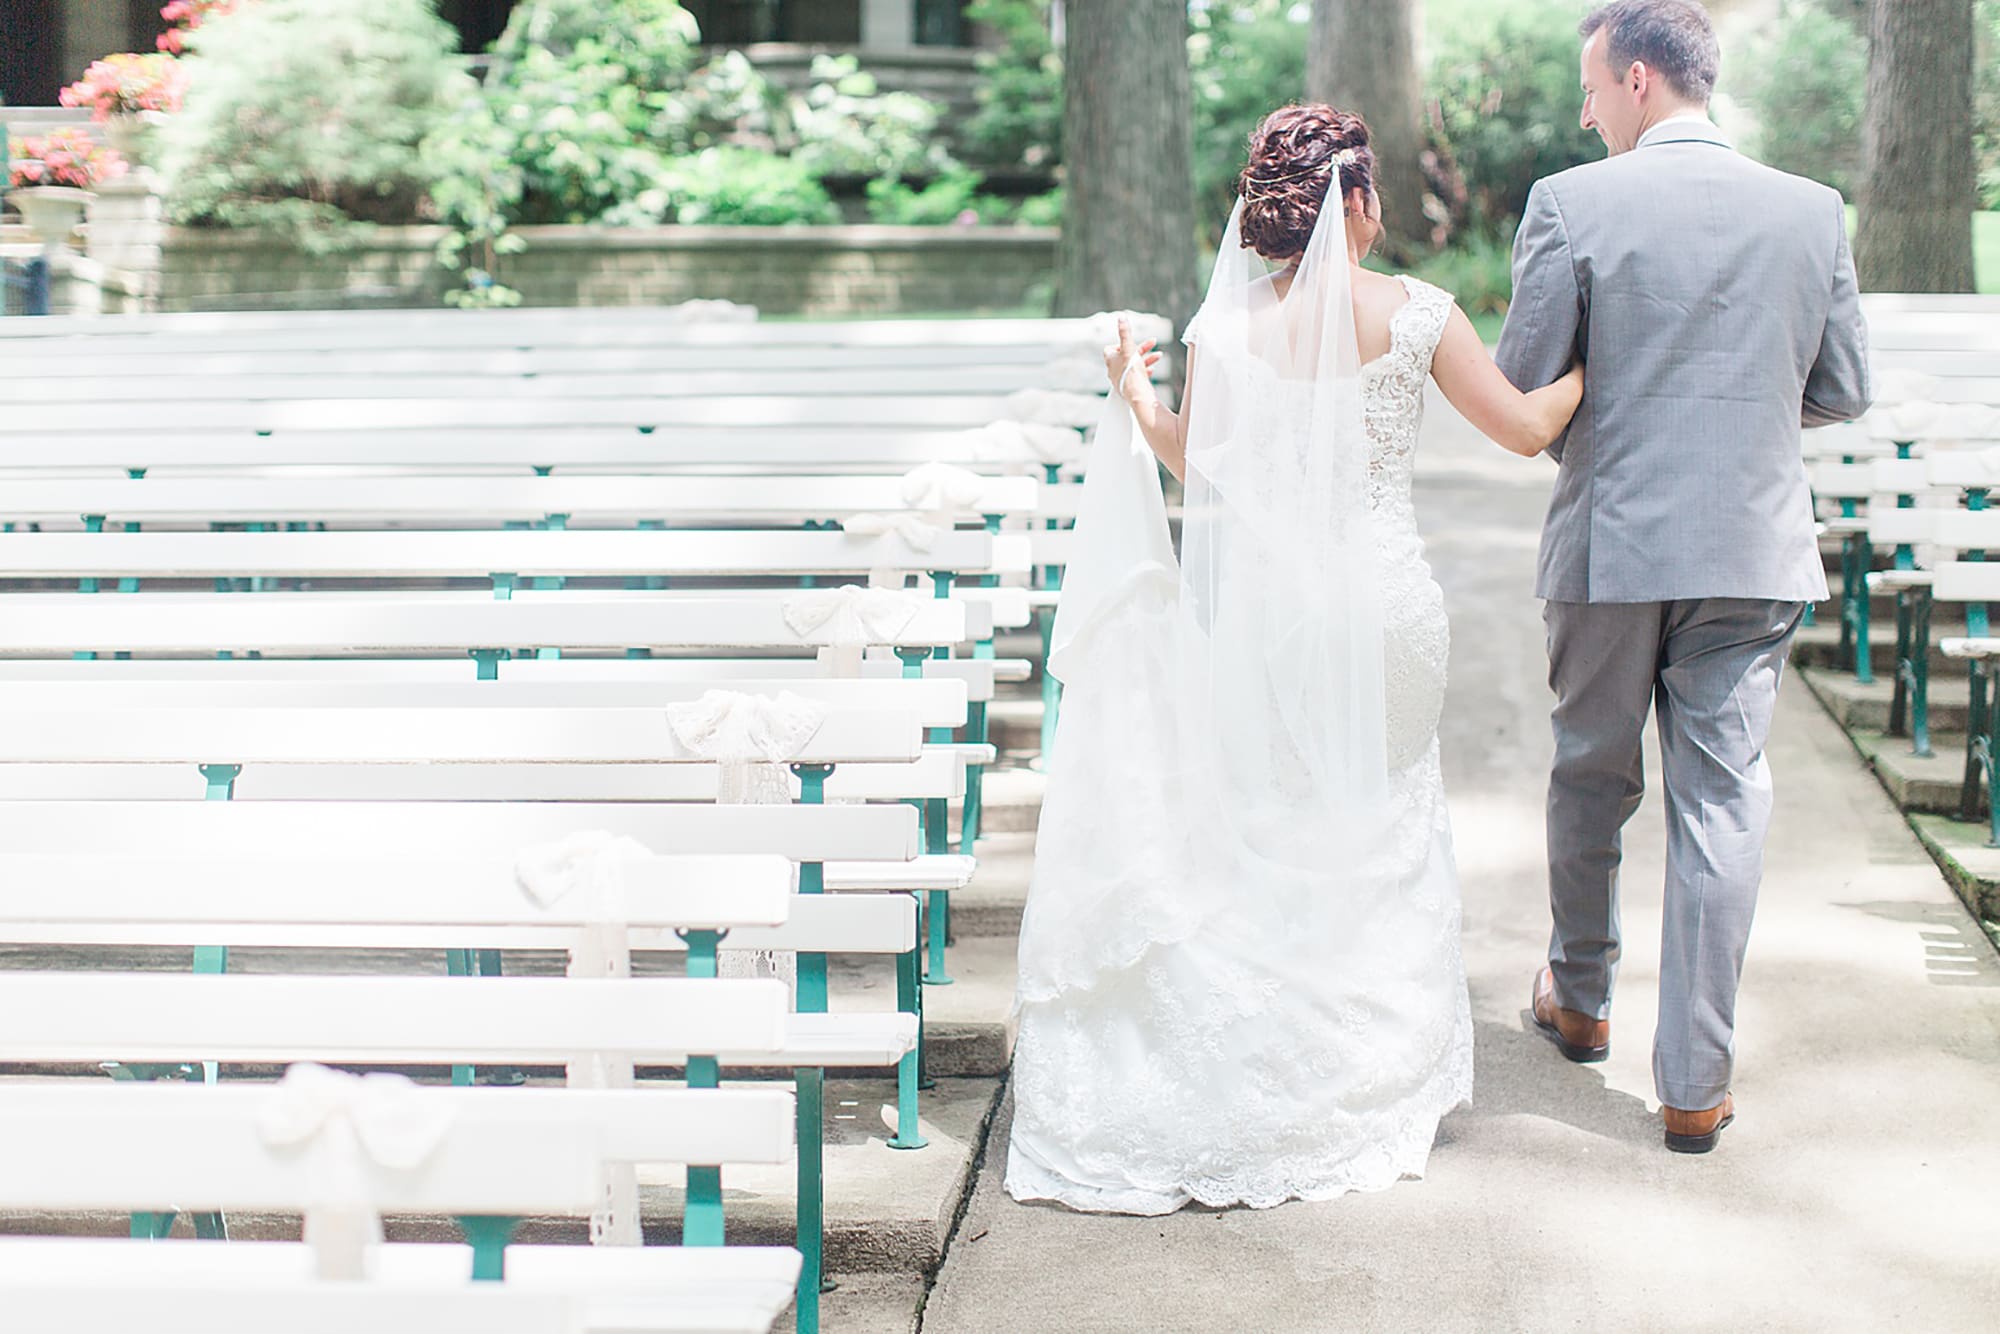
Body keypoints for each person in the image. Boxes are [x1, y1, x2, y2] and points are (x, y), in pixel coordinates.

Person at [1006, 102, 1583, 1215]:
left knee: (1267, 818)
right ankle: (1366, 1069)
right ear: (1356, 200)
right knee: (1376, 814)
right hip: (1381, 606)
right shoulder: (1415, 311)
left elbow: (1199, 469)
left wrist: (1138, 396)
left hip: (1264, 613)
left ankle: (1268, 1058)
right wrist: (1589, 372)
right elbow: (1520, 430)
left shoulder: (1222, 329)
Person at [1495, 0, 1871, 1154]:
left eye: (1591, 87)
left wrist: (1607, 432)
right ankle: (1695, 1086)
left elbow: (1520, 381)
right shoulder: (1811, 211)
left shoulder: (1570, 202)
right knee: (1721, 806)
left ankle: (1581, 996)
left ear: (1640, 81)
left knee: (1589, 778)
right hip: (1750, 549)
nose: (1583, 108)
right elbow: (1843, 388)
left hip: (1611, 545)